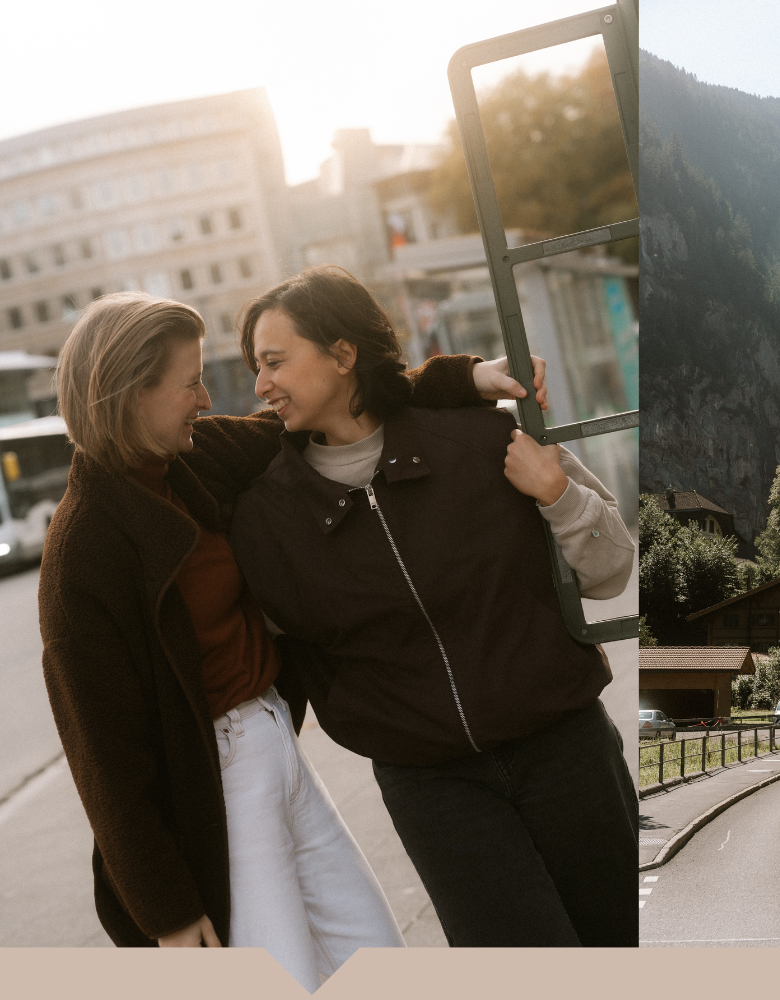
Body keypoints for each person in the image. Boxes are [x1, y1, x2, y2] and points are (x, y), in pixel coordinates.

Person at [27, 292, 540, 988]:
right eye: (190, 383)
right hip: (218, 785)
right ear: (130, 393)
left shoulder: (192, 459)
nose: (206, 399)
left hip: (275, 744)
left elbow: (326, 407)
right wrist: (166, 911)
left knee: (373, 952)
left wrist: (462, 377)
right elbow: (105, 758)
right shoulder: (81, 551)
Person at [226, 266, 638, 948]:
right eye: (256, 368)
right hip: (431, 789)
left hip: (566, 751)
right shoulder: (267, 518)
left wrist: (558, 494)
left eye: (274, 361)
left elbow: (611, 569)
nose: (261, 385)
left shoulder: (483, 441)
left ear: (342, 353)